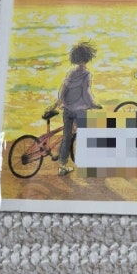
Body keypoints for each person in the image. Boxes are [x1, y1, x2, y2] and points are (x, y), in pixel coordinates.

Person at [54, 41, 101, 177]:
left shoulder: (71, 73)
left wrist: (61, 101)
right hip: (80, 111)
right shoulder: (86, 74)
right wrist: (92, 104)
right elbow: (86, 93)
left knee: (66, 138)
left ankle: (62, 166)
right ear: (88, 58)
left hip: (67, 110)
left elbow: (64, 89)